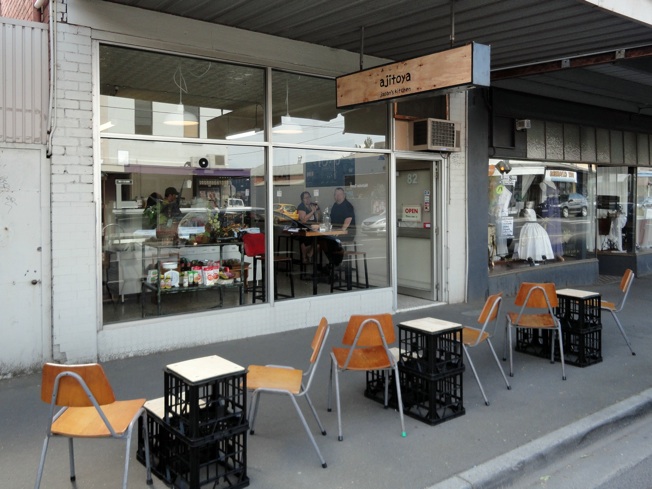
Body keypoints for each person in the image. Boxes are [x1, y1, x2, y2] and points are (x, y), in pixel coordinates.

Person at [297, 191, 321, 263]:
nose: (308, 199)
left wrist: (317, 210)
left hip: (314, 230)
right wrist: (312, 211)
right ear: (302, 199)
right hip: (304, 230)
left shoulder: (313, 205)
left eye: (309, 197)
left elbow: (319, 218)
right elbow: (303, 220)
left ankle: (310, 254)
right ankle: (304, 258)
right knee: (305, 240)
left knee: (321, 241)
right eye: (305, 198)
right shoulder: (301, 206)